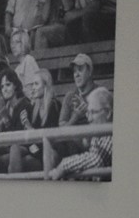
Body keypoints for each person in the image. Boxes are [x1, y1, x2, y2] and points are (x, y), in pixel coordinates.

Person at [47, 52, 113, 180]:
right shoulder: (70, 96)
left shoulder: (100, 94)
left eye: (80, 70)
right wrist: (76, 116)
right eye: (74, 71)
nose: (76, 74)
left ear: (90, 72)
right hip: (74, 144)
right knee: (64, 143)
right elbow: (62, 129)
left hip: (94, 143)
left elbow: (106, 122)